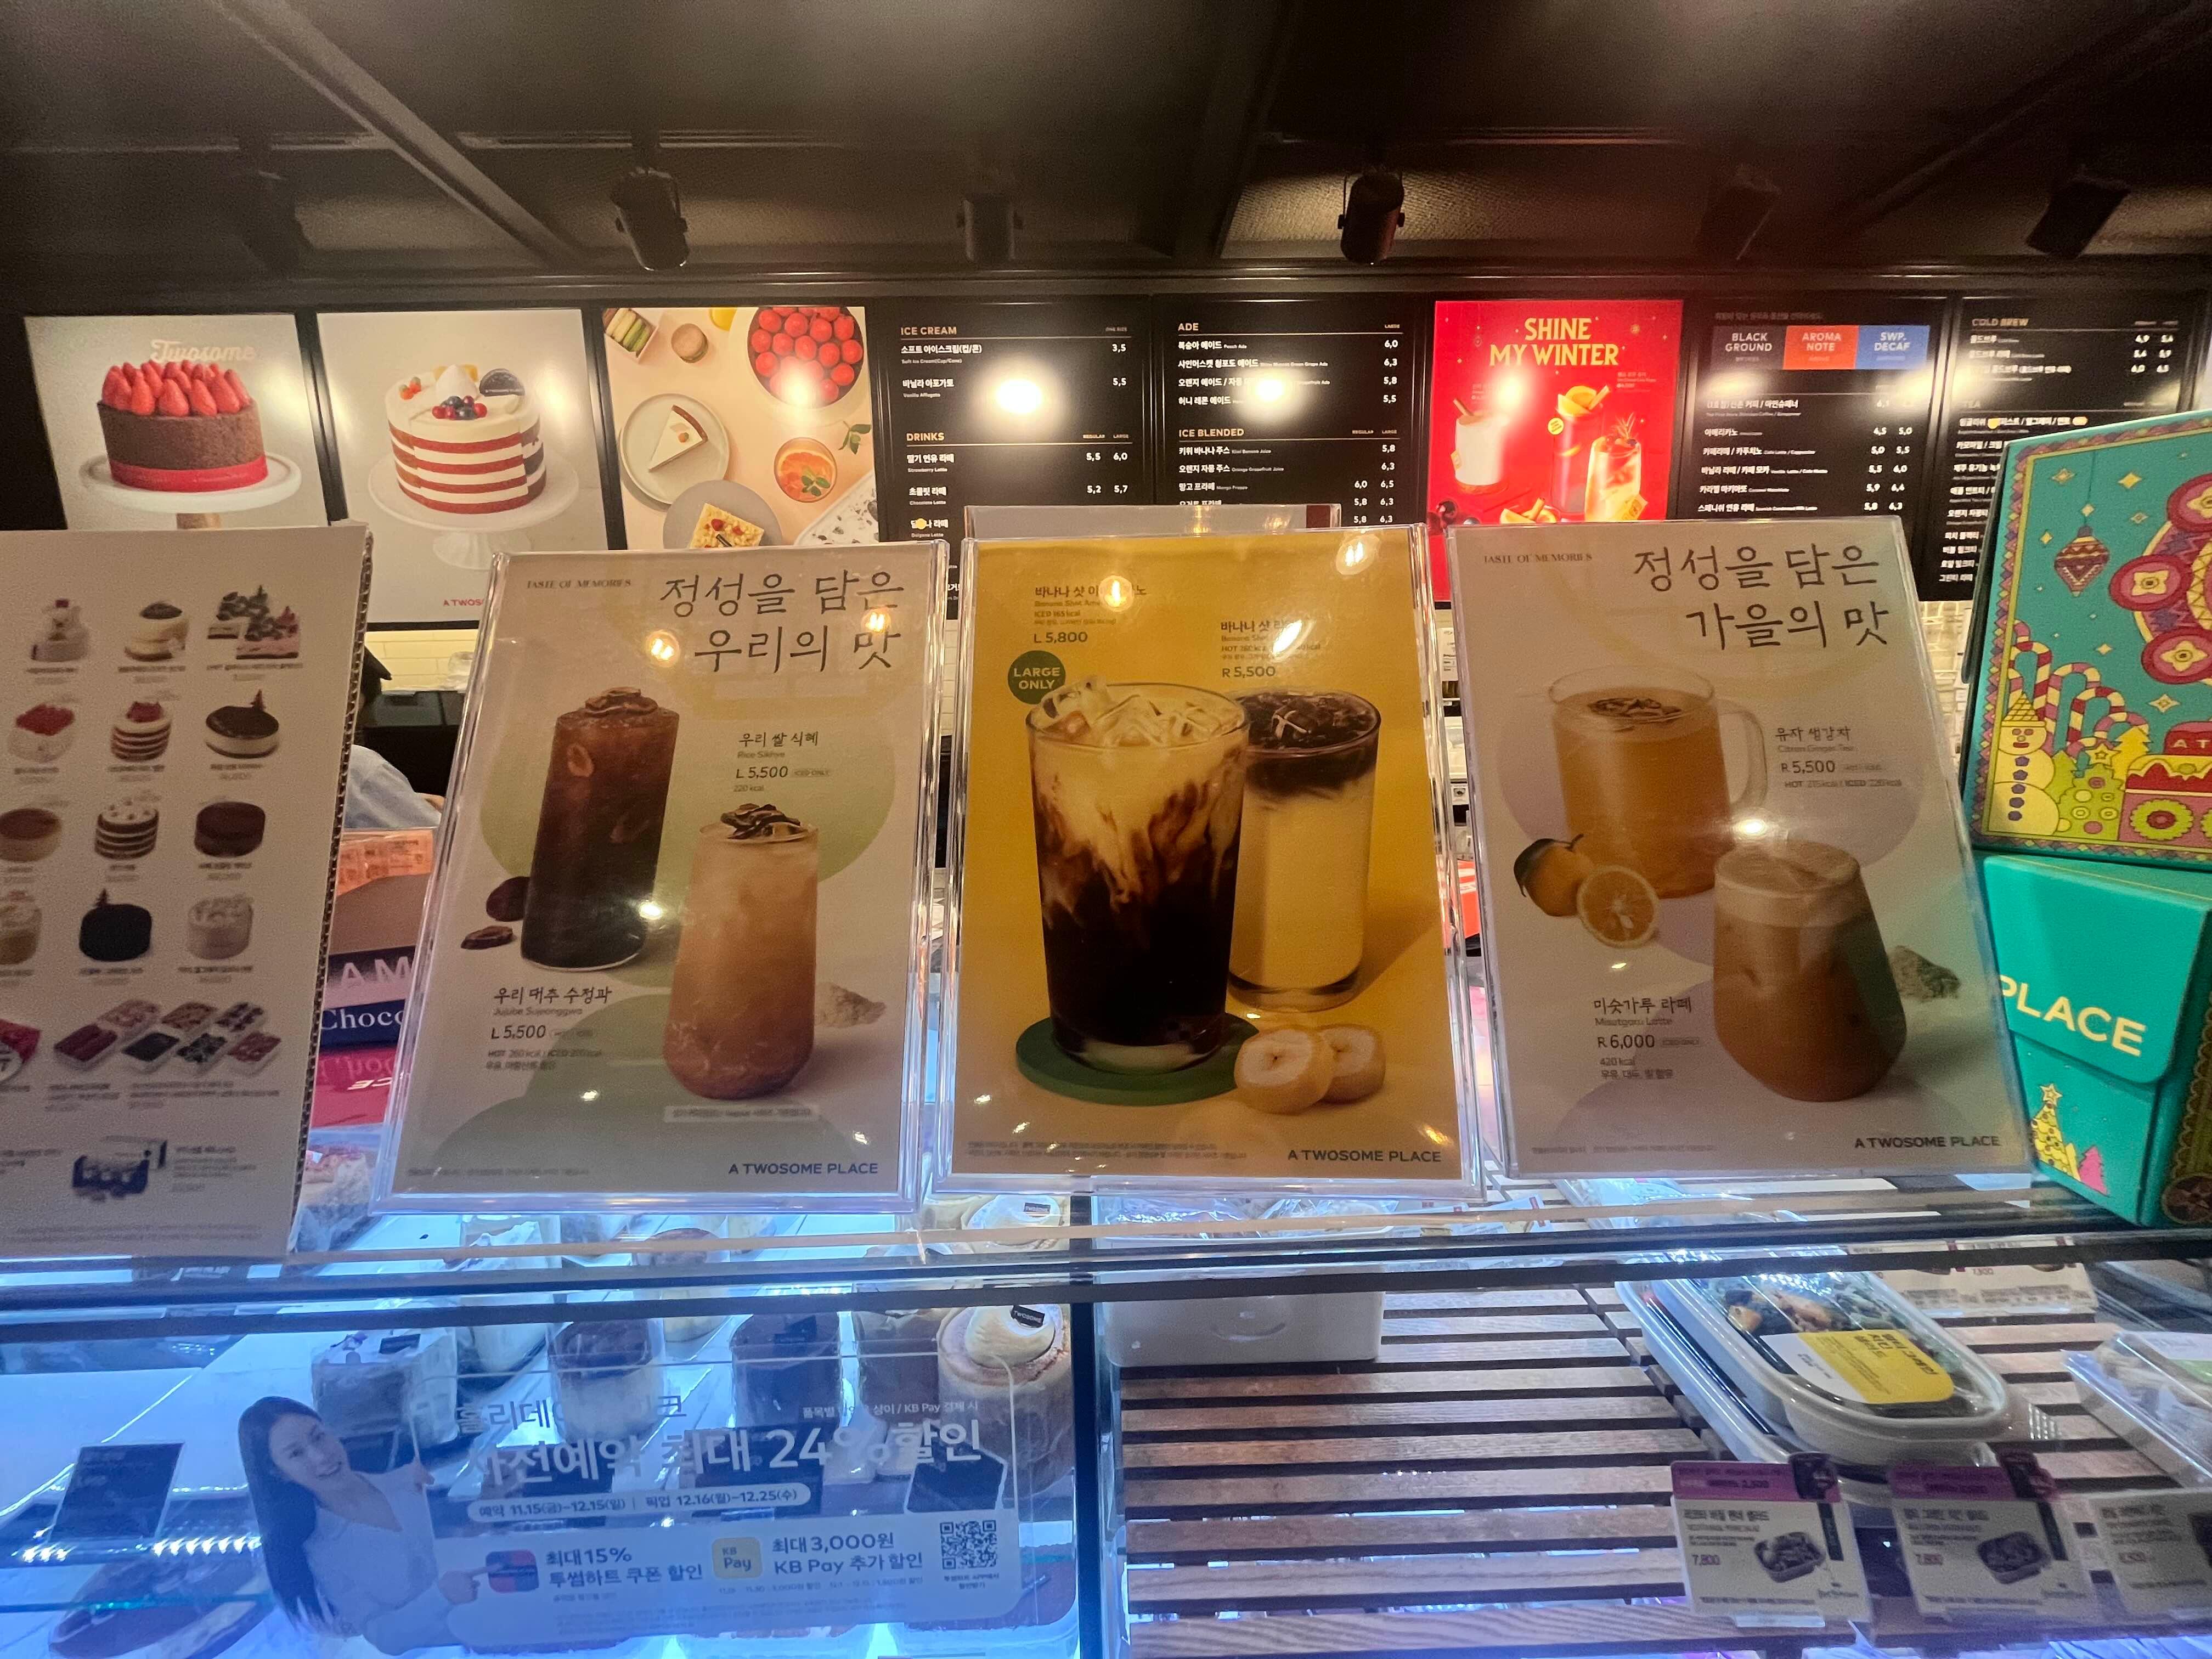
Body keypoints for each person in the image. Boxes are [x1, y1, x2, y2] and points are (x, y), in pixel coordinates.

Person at [238, 1396, 473, 1654]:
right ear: (278, 1472)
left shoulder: (416, 1480)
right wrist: (441, 1597)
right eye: (296, 1453)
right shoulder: (320, 1552)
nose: (321, 1456)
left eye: (319, 1437)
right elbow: (384, 1637)